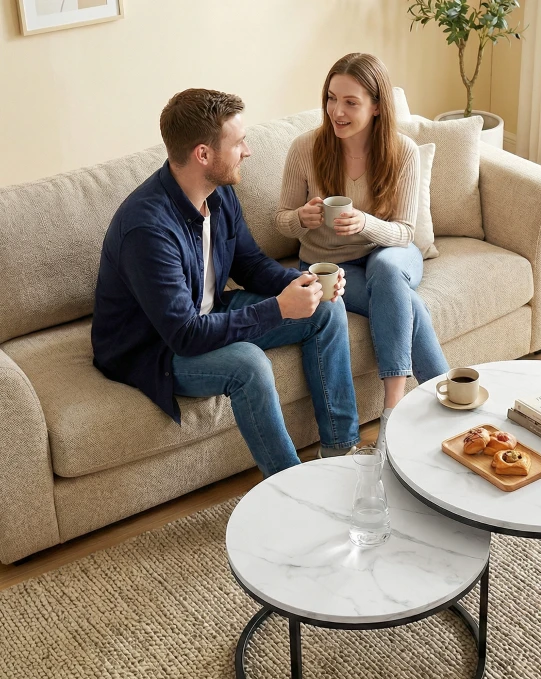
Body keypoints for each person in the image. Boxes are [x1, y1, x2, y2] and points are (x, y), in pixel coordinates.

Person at [91, 89, 361, 478]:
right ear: (203, 154)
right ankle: (293, 490)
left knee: (326, 308)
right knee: (248, 364)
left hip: (208, 313)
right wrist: (279, 309)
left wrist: (307, 284)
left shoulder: (219, 195)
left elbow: (249, 265)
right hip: (155, 347)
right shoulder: (147, 229)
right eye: (238, 143)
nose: (248, 151)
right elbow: (184, 334)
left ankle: (341, 451)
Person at [276, 52, 449, 452]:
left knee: (389, 272)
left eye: (350, 102)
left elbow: (404, 233)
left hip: (389, 250)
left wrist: (364, 222)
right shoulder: (305, 148)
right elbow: (280, 220)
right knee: (402, 301)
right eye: (331, 98)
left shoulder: (401, 151)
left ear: (376, 107)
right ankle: (449, 395)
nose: (337, 111)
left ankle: (393, 406)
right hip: (330, 265)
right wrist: (301, 217)